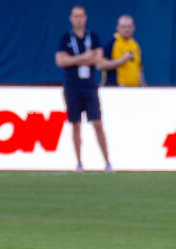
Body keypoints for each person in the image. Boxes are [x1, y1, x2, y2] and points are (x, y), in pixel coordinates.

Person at [56, 5, 114, 172]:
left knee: (97, 122)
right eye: (75, 16)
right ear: (71, 18)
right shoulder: (65, 38)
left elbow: (98, 58)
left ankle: (107, 162)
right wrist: (82, 57)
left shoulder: (92, 36)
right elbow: (60, 61)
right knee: (75, 124)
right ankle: (79, 162)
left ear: (85, 18)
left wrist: (73, 59)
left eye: (81, 16)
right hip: (72, 86)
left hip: (89, 86)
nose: (78, 19)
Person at [99, 15, 146, 87]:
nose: (126, 30)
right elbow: (100, 65)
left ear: (134, 28)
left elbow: (138, 69)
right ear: (117, 28)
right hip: (116, 88)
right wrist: (122, 60)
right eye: (123, 27)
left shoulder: (135, 45)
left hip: (133, 89)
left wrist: (143, 86)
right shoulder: (112, 43)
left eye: (129, 27)